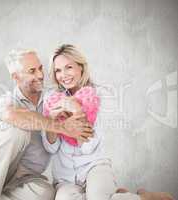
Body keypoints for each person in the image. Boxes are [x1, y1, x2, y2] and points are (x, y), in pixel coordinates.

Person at [0, 49, 93, 200]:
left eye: (40, 68)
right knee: (19, 131)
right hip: (1, 167)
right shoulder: (7, 100)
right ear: (16, 77)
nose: (40, 75)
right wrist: (61, 127)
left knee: (46, 194)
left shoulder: (51, 96)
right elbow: (13, 115)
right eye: (32, 71)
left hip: (29, 176)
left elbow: (73, 111)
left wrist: (76, 116)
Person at [41, 44, 174, 200]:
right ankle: (123, 196)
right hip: (65, 177)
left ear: (81, 68)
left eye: (69, 67)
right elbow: (51, 148)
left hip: (95, 166)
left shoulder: (100, 95)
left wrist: (77, 110)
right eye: (58, 70)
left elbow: (87, 147)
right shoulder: (52, 99)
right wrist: (51, 122)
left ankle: (146, 197)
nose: (63, 75)